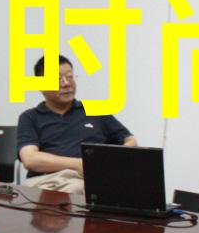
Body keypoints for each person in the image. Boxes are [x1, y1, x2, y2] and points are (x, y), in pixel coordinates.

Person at [16, 54, 137, 184]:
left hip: (90, 179)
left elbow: (131, 141)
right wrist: (80, 164)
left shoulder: (95, 110)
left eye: (70, 76)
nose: (67, 83)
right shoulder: (30, 117)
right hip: (47, 180)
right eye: (58, 79)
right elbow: (30, 159)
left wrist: (109, 162)